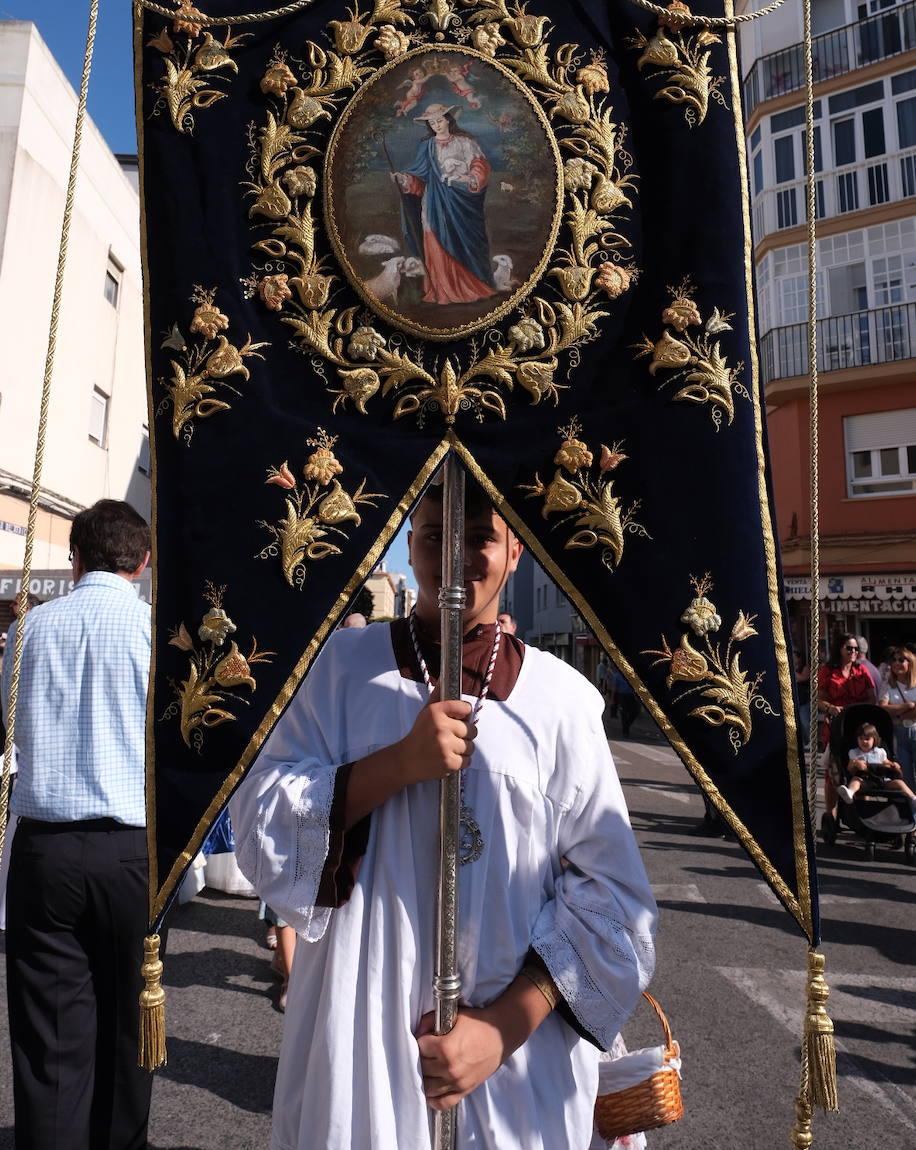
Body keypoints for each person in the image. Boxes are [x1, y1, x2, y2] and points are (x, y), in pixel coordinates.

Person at [232, 480, 657, 1150]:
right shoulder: (336, 670)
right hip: (362, 1031)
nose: (456, 555)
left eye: (480, 537)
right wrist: (395, 765)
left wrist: (500, 1030)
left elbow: (615, 902)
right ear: (409, 545)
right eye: (434, 536)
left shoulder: (563, 702)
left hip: (514, 1062)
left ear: (515, 551)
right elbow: (259, 822)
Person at [1, 499, 153, 1150]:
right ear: (142, 563)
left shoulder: (28, 630)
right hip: (133, 849)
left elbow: (9, 726)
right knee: (131, 1025)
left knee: (51, 1033)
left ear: (76, 558)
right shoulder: (158, 632)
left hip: (47, 847)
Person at [392, 103, 497, 306]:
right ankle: (442, 291)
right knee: (434, 239)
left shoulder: (465, 142)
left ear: (448, 119)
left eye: (439, 120)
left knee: (463, 240)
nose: (436, 125)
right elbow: (419, 176)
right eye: (432, 123)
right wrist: (403, 179)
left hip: (461, 201)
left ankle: (469, 288)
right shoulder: (427, 146)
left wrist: (470, 178)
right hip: (434, 202)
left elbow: (479, 166)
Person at [817, 631, 876, 820]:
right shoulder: (827, 671)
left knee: (862, 769)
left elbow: (872, 698)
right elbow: (818, 699)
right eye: (849, 648)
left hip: (858, 726)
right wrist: (830, 707)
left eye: (856, 649)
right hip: (836, 726)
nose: (853, 652)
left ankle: (863, 815)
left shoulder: (862, 671)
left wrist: (862, 711)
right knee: (833, 773)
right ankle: (831, 816)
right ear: (840, 649)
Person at [837, 722, 916, 816]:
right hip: (865, 781)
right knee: (855, 780)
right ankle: (850, 793)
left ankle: (913, 798)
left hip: (882, 780)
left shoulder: (880, 752)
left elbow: (886, 762)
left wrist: (893, 765)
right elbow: (849, 768)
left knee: (899, 783)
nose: (864, 742)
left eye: (867, 739)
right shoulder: (855, 753)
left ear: (874, 739)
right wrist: (855, 763)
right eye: (861, 739)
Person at [878, 647, 916, 791]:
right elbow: (883, 709)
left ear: (910, 662)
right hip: (897, 734)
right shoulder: (888, 685)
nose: (897, 663)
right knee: (904, 775)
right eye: (894, 660)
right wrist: (908, 706)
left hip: (915, 729)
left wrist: (897, 711)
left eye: (901, 660)